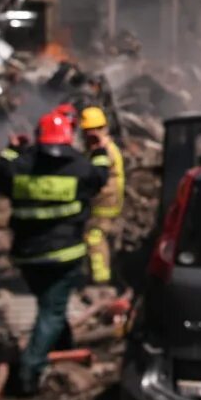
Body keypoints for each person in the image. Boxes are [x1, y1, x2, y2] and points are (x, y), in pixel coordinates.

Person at [0, 107, 108, 394]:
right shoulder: (79, 167)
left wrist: (12, 150)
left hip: (27, 255)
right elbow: (100, 177)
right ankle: (30, 371)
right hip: (64, 256)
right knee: (52, 311)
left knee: (51, 305)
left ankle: (63, 347)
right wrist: (99, 149)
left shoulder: (20, 167)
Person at [79, 106, 124, 286]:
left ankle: (100, 279)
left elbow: (94, 175)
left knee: (95, 238)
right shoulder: (99, 148)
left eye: (92, 131)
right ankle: (93, 274)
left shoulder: (105, 150)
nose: (88, 136)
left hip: (104, 203)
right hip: (101, 202)